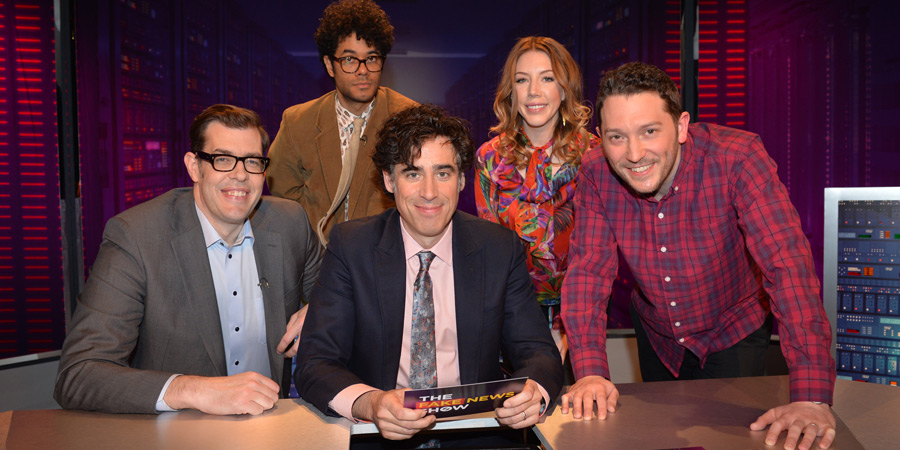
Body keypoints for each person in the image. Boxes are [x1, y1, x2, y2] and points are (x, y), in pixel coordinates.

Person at [560, 62, 837, 450]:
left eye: (650, 131)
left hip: (733, 326)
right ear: (600, 138)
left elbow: (786, 266)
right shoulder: (594, 172)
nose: (634, 153)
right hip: (658, 333)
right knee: (658, 439)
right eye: (617, 137)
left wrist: (810, 395)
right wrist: (589, 372)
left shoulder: (738, 157)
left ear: (682, 125)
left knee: (738, 441)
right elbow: (588, 272)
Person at [295, 104, 562, 443]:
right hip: (381, 434)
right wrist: (371, 403)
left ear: (462, 180)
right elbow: (315, 363)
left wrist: (531, 392)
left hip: (477, 434)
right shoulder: (352, 247)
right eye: (412, 173)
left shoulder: (498, 248)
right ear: (390, 180)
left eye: (443, 173)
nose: (429, 192)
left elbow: (538, 352)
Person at [54, 104, 322, 415]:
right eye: (222, 160)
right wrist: (192, 389)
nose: (240, 175)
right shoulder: (137, 237)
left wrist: (318, 309)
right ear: (194, 167)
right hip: (182, 434)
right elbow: (79, 374)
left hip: (272, 427)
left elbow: (339, 290)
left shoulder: (290, 222)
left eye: (252, 162)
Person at [474, 36, 597, 343]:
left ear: (565, 87)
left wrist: (570, 329)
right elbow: (489, 251)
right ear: (510, 91)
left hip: (580, 314)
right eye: (521, 80)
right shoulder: (489, 158)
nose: (533, 92)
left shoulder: (595, 157)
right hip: (509, 314)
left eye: (547, 78)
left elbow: (601, 254)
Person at [266, 0, 416, 247]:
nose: (362, 70)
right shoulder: (297, 121)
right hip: (319, 261)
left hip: (385, 258)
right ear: (329, 65)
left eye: (372, 58)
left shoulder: (409, 119)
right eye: (349, 59)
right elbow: (283, 193)